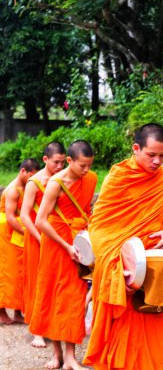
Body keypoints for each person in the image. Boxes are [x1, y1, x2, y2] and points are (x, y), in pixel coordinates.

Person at [83, 123, 163, 370]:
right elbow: (100, 228)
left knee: (153, 340)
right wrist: (121, 273)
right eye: (151, 155)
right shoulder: (118, 177)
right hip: (124, 273)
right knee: (121, 342)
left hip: (154, 274)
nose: (158, 161)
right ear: (136, 149)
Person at [29, 140, 97, 370]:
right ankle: (57, 355)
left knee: (74, 300)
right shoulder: (54, 184)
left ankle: (70, 358)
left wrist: (86, 238)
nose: (86, 171)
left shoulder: (91, 179)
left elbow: (87, 211)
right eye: (82, 166)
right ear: (69, 161)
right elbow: (40, 221)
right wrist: (66, 245)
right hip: (56, 244)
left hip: (78, 244)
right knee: (52, 296)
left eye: (89, 165)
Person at [20, 141, 66, 348]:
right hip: (37, 237)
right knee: (37, 281)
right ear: (45, 160)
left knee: (56, 281)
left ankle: (55, 324)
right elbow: (25, 215)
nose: (60, 166)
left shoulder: (64, 179)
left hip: (56, 234)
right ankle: (37, 330)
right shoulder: (34, 182)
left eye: (63, 162)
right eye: (56, 162)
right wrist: (40, 238)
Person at [0, 158, 40, 325]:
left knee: (23, 273)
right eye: (31, 176)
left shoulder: (26, 187)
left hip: (20, 234)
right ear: (23, 171)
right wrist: (28, 232)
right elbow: (10, 218)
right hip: (7, 233)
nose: (33, 180)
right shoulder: (12, 190)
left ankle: (18, 312)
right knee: (8, 273)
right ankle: (2, 312)